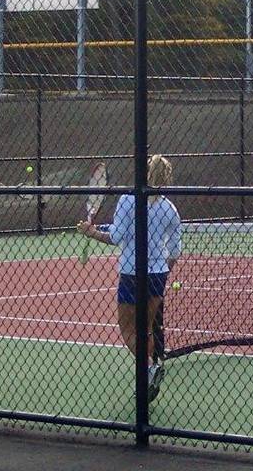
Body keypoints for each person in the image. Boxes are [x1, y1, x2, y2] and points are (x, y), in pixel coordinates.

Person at [77, 154, 181, 402]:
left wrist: (92, 233)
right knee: (145, 329)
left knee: (127, 330)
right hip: (157, 274)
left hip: (132, 273)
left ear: (144, 172)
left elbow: (117, 236)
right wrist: (161, 269)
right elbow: (175, 250)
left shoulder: (127, 200)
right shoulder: (169, 208)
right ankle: (151, 369)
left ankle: (148, 369)